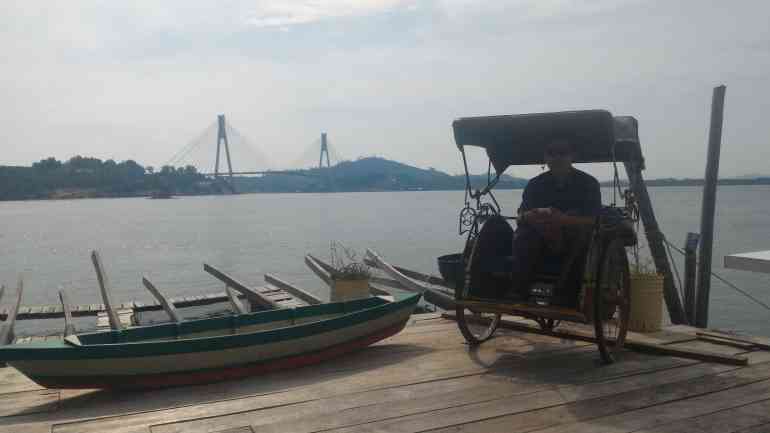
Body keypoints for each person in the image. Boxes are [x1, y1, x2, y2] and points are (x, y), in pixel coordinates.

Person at [509, 137, 602, 306]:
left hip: (574, 235)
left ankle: (569, 294)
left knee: (579, 237)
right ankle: (519, 290)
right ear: (545, 158)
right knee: (523, 236)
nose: (557, 158)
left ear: (572, 156)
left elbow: (593, 220)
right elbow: (520, 217)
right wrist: (530, 216)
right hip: (540, 235)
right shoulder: (535, 184)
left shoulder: (588, 183)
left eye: (563, 153)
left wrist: (563, 220)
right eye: (551, 153)